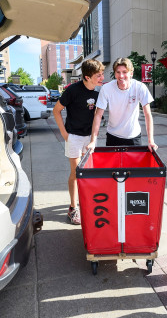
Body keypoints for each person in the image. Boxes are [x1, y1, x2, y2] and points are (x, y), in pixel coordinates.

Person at [53, 59, 105, 225]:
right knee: (76, 173)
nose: (102, 77)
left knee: (87, 173)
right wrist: (64, 133)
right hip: (74, 136)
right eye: (99, 75)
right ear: (88, 77)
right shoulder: (73, 90)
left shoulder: (98, 93)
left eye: (102, 74)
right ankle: (73, 208)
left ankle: (86, 203)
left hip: (89, 139)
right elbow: (56, 110)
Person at [87, 57, 157, 150]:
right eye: (118, 72)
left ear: (131, 73)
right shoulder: (107, 88)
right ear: (114, 74)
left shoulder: (140, 87)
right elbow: (98, 115)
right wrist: (93, 141)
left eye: (124, 72)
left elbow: (147, 114)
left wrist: (150, 141)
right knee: (113, 165)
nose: (121, 76)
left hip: (134, 137)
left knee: (134, 165)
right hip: (113, 136)